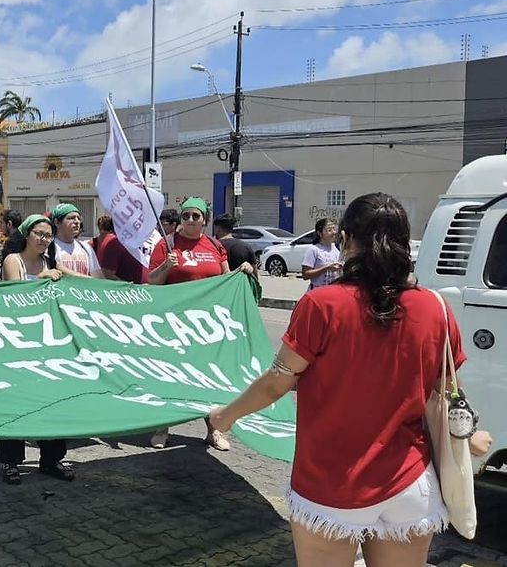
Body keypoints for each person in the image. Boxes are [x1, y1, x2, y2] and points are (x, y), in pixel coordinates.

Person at [209, 192, 493, 567]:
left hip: (330, 487)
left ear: (344, 240)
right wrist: (468, 435)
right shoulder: (435, 308)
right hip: (411, 484)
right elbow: (447, 392)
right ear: (404, 246)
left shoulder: (322, 305)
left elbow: (277, 382)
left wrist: (224, 417)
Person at [147, 197, 231, 450]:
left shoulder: (216, 246)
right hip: (174, 325)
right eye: (186, 216)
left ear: (205, 220)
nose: (190, 220)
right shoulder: (167, 244)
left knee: (209, 378)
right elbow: (152, 282)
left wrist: (245, 271)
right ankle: (162, 428)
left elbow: (227, 281)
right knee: (169, 377)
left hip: (207, 326)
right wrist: (166, 266)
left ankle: (213, 430)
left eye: (196, 216)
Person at [0, 214, 73, 484]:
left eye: (48, 235)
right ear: (27, 234)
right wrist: (42, 277)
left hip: (47, 343)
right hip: (17, 343)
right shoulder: (12, 260)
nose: (43, 239)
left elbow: (74, 279)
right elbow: (16, 296)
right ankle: (10, 461)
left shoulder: (50, 262)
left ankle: (52, 458)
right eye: (39, 233)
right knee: (17, 401)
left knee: (53, 400)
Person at [50, 203, 102, 277]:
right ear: (57, 223)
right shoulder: (49, 248)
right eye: (71, 218)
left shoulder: (86, 248)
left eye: (79, 218)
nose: (77, 222)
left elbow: (98, 278)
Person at [212, 213, 258, 278]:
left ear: (218, 229)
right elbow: (255, 275)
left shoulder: (212, 247)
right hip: (241, 287)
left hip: (221, 286)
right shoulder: (246, 247)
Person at [301, 218, 341, 290]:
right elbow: (305, 275)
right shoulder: (314, 250)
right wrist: (326, 268)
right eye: (329, 230)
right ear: (320, 234)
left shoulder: (336, 249)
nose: (334, 232)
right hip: (317, 291)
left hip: (333, 291)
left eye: (334, 229)